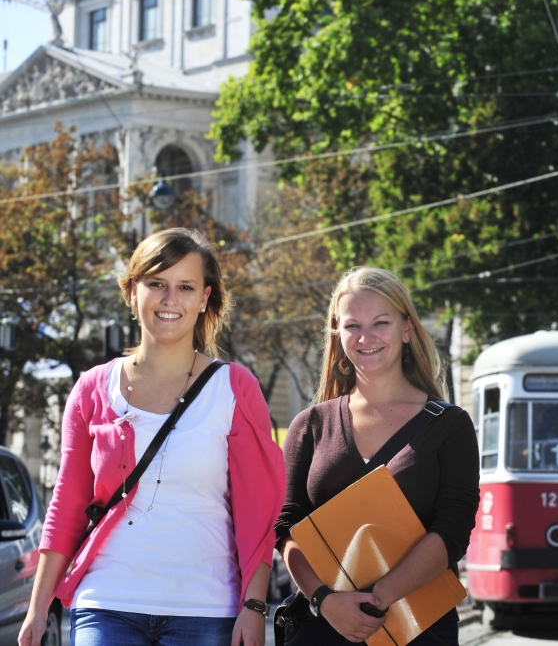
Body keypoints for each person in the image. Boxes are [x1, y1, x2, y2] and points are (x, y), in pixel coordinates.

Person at [19, 227, 286, 646]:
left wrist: (253, 607)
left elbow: (259, 512)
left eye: (185, 287)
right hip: (106, 601)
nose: (169, 299)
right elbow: (67, 504)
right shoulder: (92, 389)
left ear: (204, 299)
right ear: (132, 293)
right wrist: (38, 609)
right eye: (156, 284)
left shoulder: (235, 388)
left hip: (205, 608)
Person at [275, 266, 480, 646]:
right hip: (323, 628)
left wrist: (376, 601)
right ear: (338, 333)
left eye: (380, 323)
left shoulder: (451, 426)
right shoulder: (309, 425)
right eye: (352, 325)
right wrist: (326, 601)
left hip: (418, 631)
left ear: (407, 329)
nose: (365, 337)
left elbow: (452, 530)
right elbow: (286, 527)